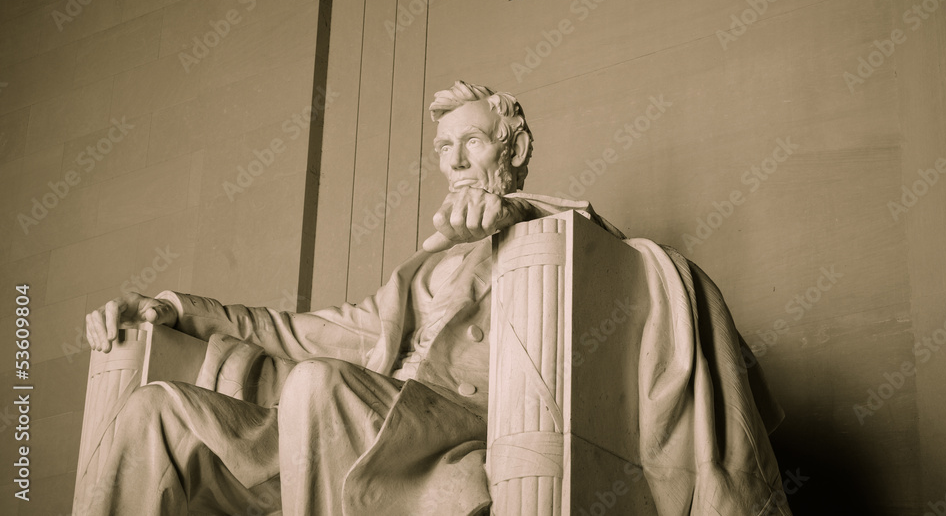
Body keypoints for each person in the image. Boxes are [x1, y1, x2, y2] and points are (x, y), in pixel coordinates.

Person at [81, 81, 792, 516]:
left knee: (317, 390)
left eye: (470, 142)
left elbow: (606, 271)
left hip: (446, 443)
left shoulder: (571, 240)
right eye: (442, 147)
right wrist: (174, 307)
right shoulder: (418, 277)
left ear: (511, 152)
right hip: (347, 427)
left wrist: (514, 221)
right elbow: (295, 331)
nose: (450, 161)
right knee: (156, 412)